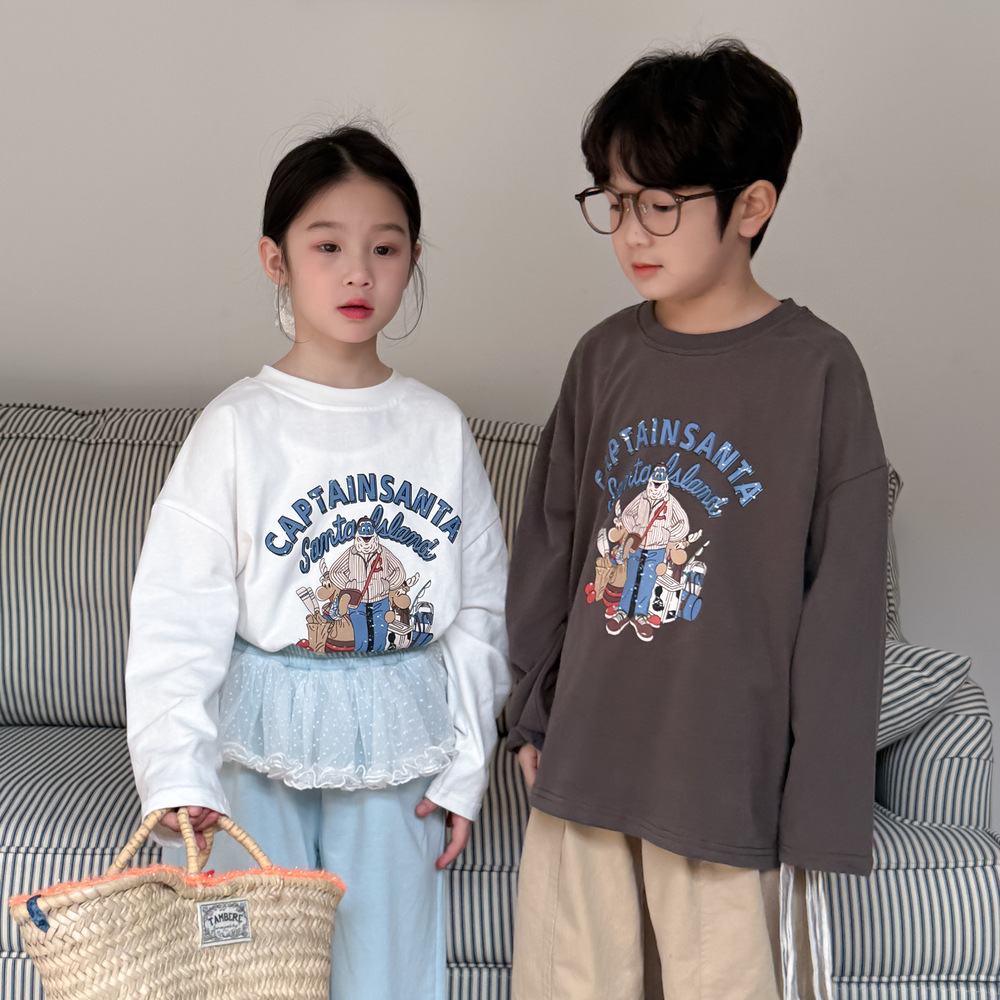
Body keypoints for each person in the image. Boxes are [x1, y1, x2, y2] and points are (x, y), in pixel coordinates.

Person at [505, 40, 888, 1000]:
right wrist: (531, 714)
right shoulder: (603, 358)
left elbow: (843, 608)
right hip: (586, 769)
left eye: (661, 204)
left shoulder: (817, 372)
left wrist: (819, 807)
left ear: (751, 206)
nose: (631, 231)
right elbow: (551, 545)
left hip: (726, 790)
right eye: (615, 201)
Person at [125, 125, 511, 1000]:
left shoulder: (437, 427)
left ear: (413, 261)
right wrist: (179, 772)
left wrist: (465, 768)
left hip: (400, 749)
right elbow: (177, 611)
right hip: (257, 748)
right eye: (328, 246)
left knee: (388, 970)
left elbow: (481, 608)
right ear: (277, 259)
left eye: (386, 248)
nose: (358, 274)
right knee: (253, 972)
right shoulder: (237, 426)